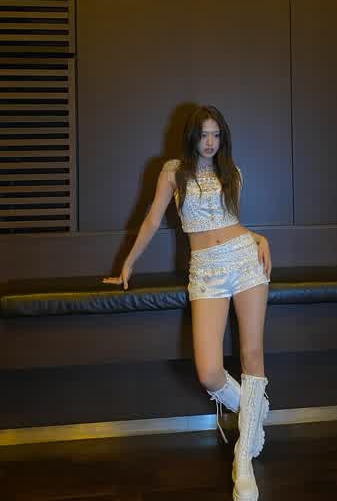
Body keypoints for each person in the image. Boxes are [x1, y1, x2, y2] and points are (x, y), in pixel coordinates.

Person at [103, 105, 272, 501]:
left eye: (216, 135)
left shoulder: (232, 173)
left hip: (245, 260)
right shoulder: (173, 171)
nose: (210, 142)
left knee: (252, 354)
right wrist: (127, 263)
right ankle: (254, 410)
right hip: (205, 270)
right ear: (192, 136)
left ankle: (244, 458)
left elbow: (229, 221)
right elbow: (151, 220)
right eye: (204, 134)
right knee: (209, 372)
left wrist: (257, 237)